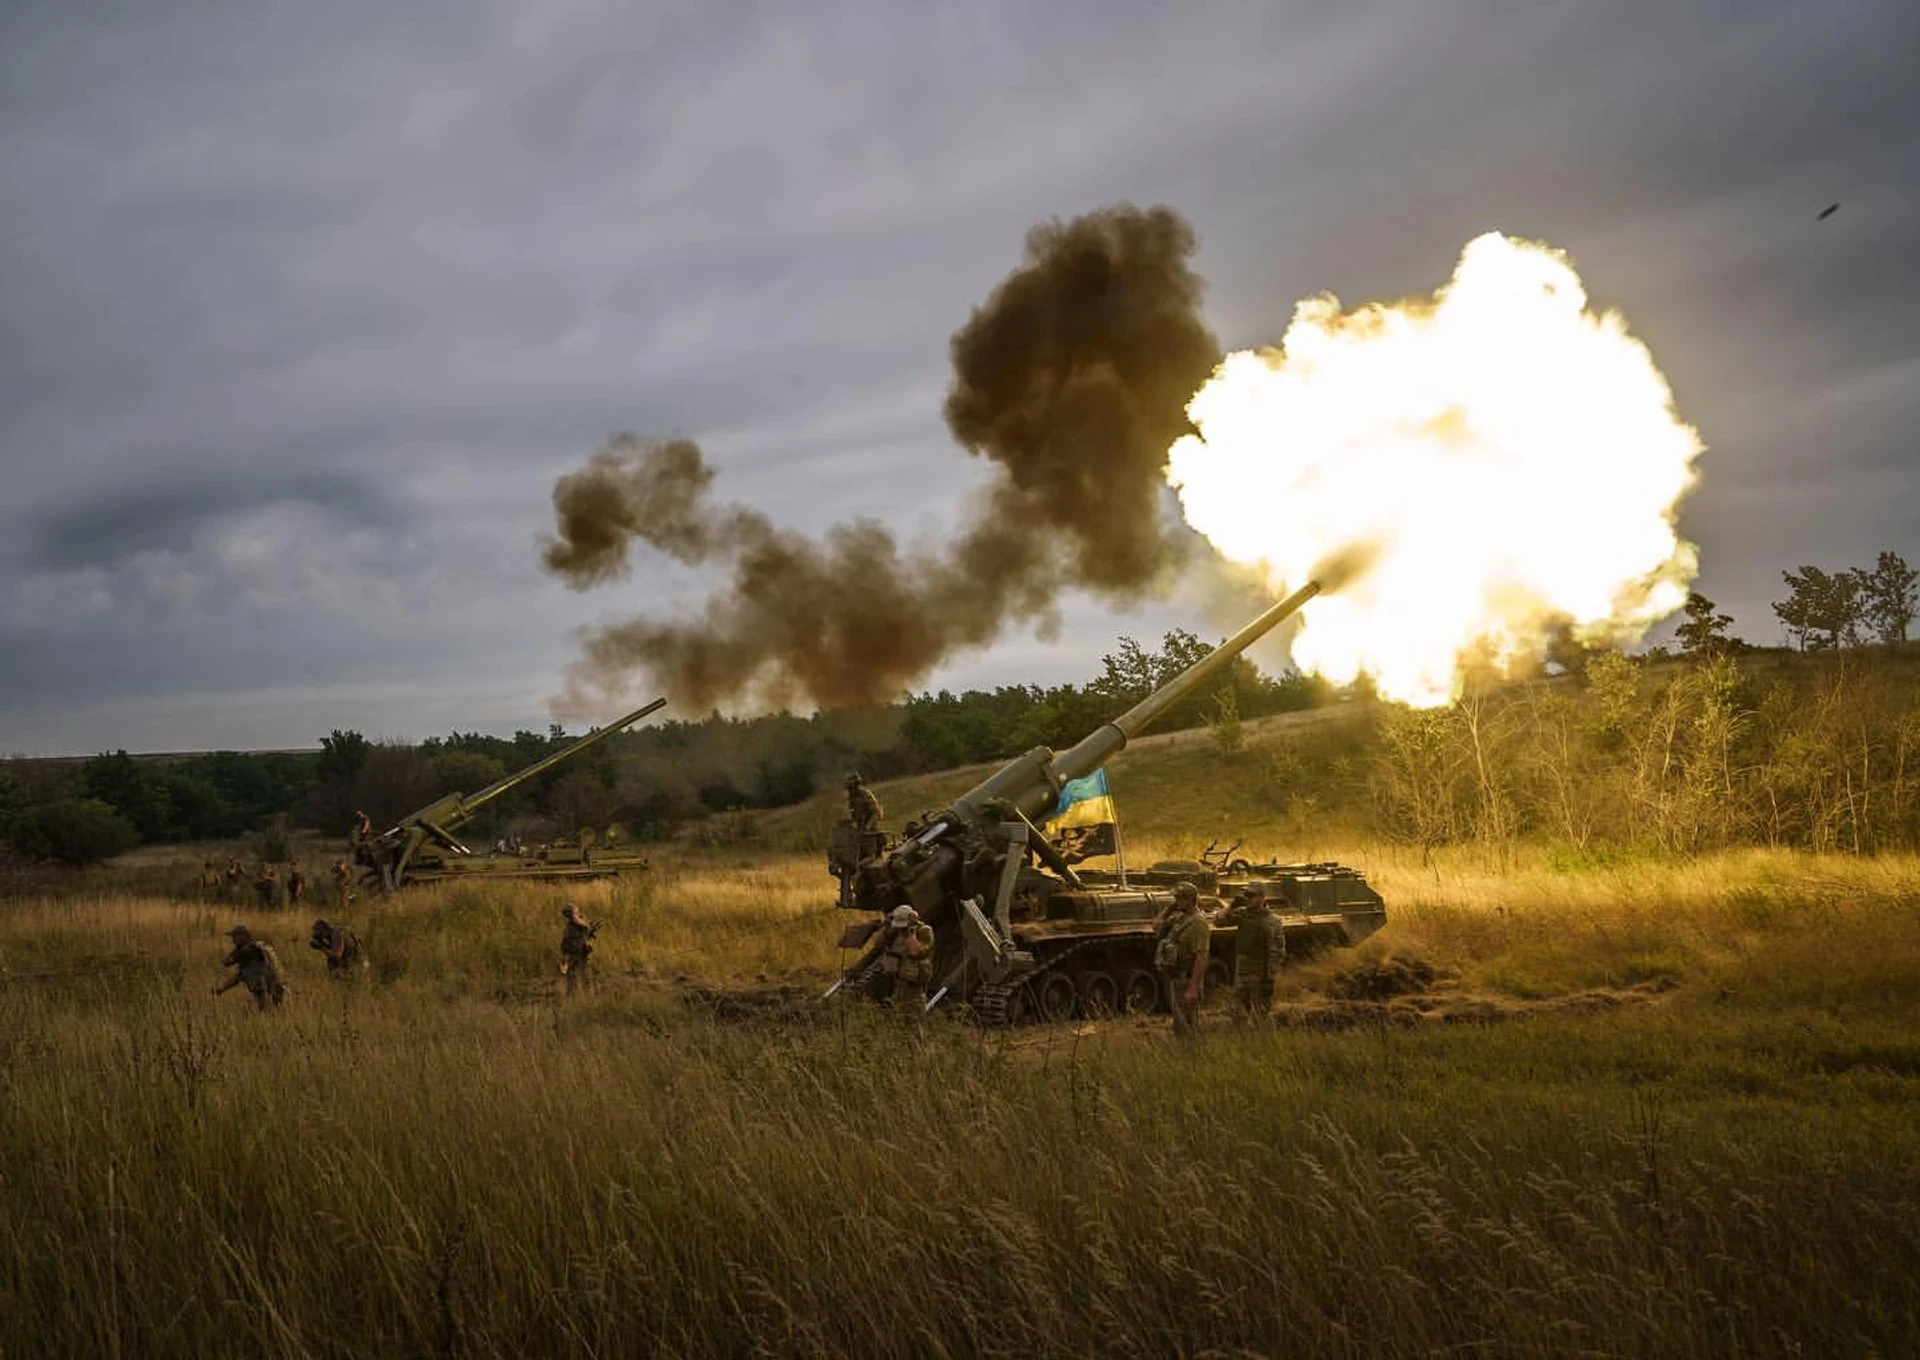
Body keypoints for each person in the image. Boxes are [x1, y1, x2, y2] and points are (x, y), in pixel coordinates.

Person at [1154, 882, 1212, 1039]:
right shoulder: (1179, 918)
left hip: (1187, 979)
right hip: (1177, 978)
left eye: (1179, 898)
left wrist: (1193, 987)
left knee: (1189, 1025)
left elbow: (1202, 957)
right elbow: (1156, 927)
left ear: (1190, 899)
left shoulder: (1198, 923)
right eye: (1175, 898)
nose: (1176, 901)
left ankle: (1192, 1055)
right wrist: (1168, 910)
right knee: (1179, 1025)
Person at [1227, 883, 1286, 1025]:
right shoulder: (1242, 914)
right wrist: (1231, 906)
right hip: (1242, 972)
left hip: (1260, 973)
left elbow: (1276, 951)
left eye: (1251, 896)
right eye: (1245, 896)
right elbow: (1219, 921)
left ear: (1261, 898)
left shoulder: (1272, 921)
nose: (1247, 899)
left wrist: (1270, 978)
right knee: (1237, 1013)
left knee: (1259, 1016)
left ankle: (1261, 1042)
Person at [878, 904, 935, 1024]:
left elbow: (916, 952)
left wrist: (909, 932)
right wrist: (887, 927)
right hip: (894, 979)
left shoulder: (924, 931)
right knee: (893, 1020)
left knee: (912, 1021)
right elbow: (878, 944)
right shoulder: (895, 931)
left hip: (912, 983)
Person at [213, 925, 287, 1009]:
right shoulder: (254, 948)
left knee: (267, 1010)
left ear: (242, 936)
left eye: (235, 937)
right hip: (273, 984)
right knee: (274, 1010)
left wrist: (236, 951)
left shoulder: (246, 951)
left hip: (263, 986)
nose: (233, 940)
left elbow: (226, 962)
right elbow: (238, 977)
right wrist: (222, 989)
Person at [560, 902, 596, 996]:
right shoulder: (570, 925)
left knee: (584, 977)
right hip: (572, 954)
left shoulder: (579, 924)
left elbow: (586, 931)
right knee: (572, 978)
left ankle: (588, 997)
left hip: (580, 954)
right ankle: (572, 997)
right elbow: (566, 940)